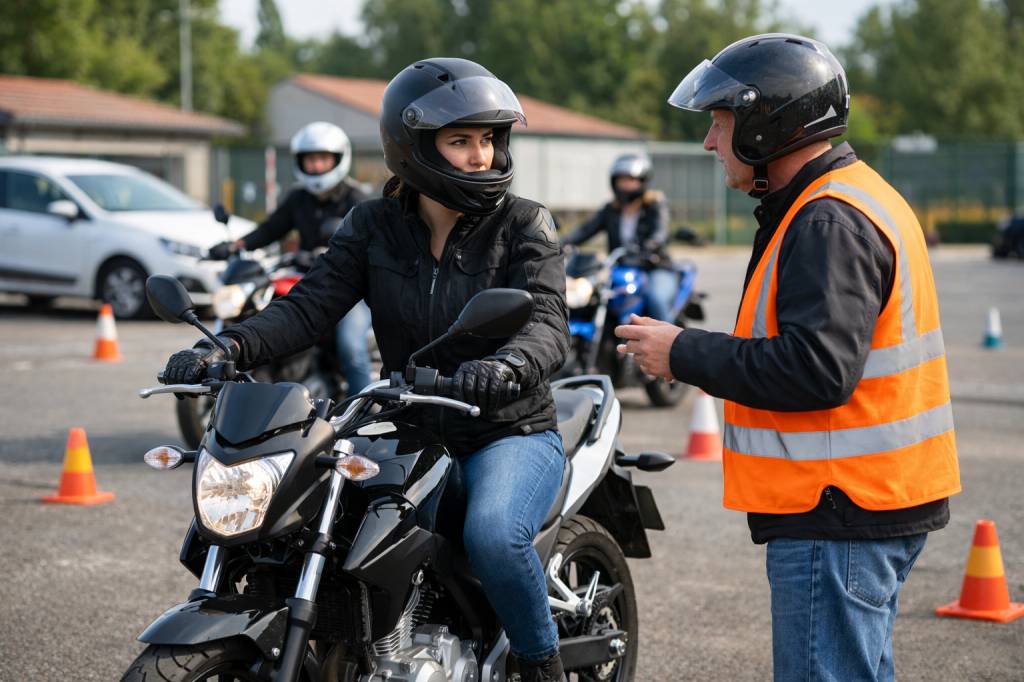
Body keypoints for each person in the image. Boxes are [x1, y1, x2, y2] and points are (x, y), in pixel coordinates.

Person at [163, 58, 570, 682]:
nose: (481, 156)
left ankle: (543, 665)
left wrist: (509, 363)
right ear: (414, 149)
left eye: (488, 139)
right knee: (319, 522)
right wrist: (228, 348)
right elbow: (311, 305)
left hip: (508, 428)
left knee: (492, 535)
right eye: (461, 141)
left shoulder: (523, 222)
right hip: (412, 423)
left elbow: (546, 320)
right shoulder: (374, 225)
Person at [615, 34, 961, 681]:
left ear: (766, 124)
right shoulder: (843, 198)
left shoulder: (828, 219)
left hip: (840, 512)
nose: (710, 143)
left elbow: (816, 370)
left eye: (719, 123)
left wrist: (683, 351)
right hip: (863, 505)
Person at [209, 121, 374, 395]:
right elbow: (271, 228)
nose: (317, 166)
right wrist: (236, 245)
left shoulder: (356, 199)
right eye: (310, 160)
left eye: (323, 159)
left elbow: (368, 241)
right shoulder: (298, 198)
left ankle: (366, 411)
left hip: (348, 288)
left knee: (351, 347)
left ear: (338, 159)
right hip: (308, 280)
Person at [563, 153, 678, 321]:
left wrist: (651, 244)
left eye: (631, 180)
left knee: (655, 298)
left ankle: (669, 343)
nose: (625, 185)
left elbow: (659, 232)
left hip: (654, 266)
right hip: (620, 268)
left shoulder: (655, 205)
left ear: (642, 181)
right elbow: (584, 231)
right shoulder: (611, 210)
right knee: (591, 297)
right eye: (621, 180)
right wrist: (555, 243)